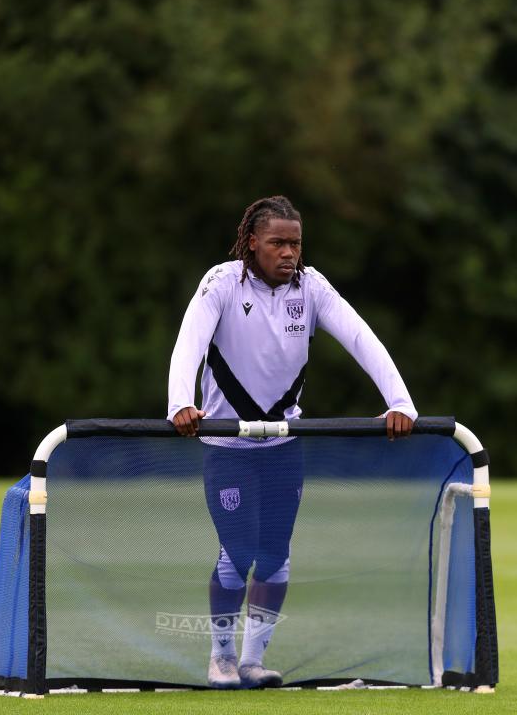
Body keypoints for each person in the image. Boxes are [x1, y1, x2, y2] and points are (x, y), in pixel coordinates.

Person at [167, 195, 417, 689]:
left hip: (284, 444)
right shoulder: (221, 283)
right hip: (228, 446)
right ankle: (220, 657)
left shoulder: (312, 287)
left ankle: (254, 660)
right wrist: (180, 401)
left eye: (296, 244)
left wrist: (400, 402)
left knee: (277, 554)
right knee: (237, 553)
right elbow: (189, 342)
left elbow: (361, 337)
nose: (288, 253)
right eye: (278, 243)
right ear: (252, 243)